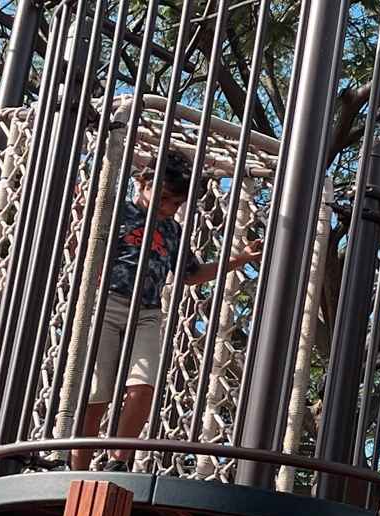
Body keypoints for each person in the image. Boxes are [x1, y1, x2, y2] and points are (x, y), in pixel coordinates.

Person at [72, 150, 264, 471]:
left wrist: (240, 258)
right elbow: (83, 248)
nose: (166, 208)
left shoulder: (172, 231)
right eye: (162, 198)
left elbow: (192, 275)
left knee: (143, 387)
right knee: (97, 393)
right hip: (106, 304)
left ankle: (117, 462)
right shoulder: (118, 211)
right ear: (143, 182)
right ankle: (76, 469)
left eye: (175, 204)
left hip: (147, 313)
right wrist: (78, 223)